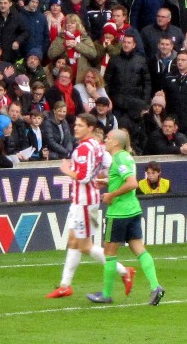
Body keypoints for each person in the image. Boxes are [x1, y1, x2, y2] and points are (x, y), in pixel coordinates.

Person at [47, 113, 131, 299]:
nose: (75, 128)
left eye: (80, 125)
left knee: (84, 246)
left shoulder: (85, 148)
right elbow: (110, 167)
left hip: (84, 202)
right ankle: (65, 285)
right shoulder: (98, 146)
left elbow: (84, 177)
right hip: (82, 201)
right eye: (75, 124)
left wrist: (67, 170)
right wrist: (103, 179)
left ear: (90, 128)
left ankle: (124, 271)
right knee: (73, 241)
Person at [87, 128, 164, 305]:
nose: (105, 141)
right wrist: (108, 182)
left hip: (119, 213)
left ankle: (106, 294)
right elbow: (125, 178)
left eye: (108, 138)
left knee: (109, 252)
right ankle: (155, 286)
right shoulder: (127, 157)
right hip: (133, 210)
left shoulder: (119, 158)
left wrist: (111, 194)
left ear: (115, 142)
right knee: (139, 249)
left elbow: (132, 183)